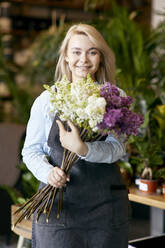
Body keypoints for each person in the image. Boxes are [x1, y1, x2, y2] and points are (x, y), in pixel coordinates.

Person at [22, 23, 131, 248]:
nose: (84, 59)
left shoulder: (116, 98)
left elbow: (118, 148)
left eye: (92, 52)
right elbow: (31, 150)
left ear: (101, 57)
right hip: (59, 206)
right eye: (76, 52)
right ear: (66, 58)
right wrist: (48, 172)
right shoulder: (48, 100)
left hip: (105, 208)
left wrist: (83, 149)